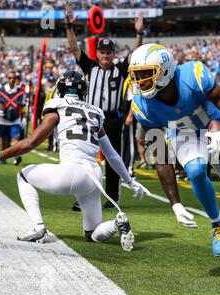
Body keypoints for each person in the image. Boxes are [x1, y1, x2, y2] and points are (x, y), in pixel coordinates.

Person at [129, 44, 220, 267]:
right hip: (183, 135)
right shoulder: (142, 103)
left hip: (214, 129)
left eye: (146, 74)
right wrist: (175, 204)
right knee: (195, 170)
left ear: (165, 71)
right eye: (137, 75)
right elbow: (160, 156)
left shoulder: (192, 77)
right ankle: (217, 224)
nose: (140, 81)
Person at [0, 71, 149, 252]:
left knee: (23, 175)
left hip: (70, 170)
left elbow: (31, 143)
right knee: (93, 234)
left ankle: (38, 227)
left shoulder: (57, 106)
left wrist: (0, 155)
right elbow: (112, 155)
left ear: (60, 89)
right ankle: (116, 224)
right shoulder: (95, 112)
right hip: (93, 176)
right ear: (83, 91)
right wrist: (130, 181)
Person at [65, 3, 144, 210]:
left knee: (112, 160)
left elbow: (135, 55)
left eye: (109, 53)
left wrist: (139, 33)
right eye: (103, 52)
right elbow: (74, 48)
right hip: (91, 119)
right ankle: (85, 198)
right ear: (98, 53)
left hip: (111, 119)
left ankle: (111, 198)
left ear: (113, 54)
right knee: (86, 159)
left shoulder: (120, 70)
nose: (106, 56)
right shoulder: (90, 67)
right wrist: (69, 26)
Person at [0, 70, 26, 165]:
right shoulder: (1, 90)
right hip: (3, 119)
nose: (12, 80)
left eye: (14, 78)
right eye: (10, 78)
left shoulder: (20, 92)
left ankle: (16, 157)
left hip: (15, 119)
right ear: (7, 79)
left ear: (16, 79)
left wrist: (23, 118)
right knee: (3, 138)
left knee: (15, 139)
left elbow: (23, 105)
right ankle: (2, 157)